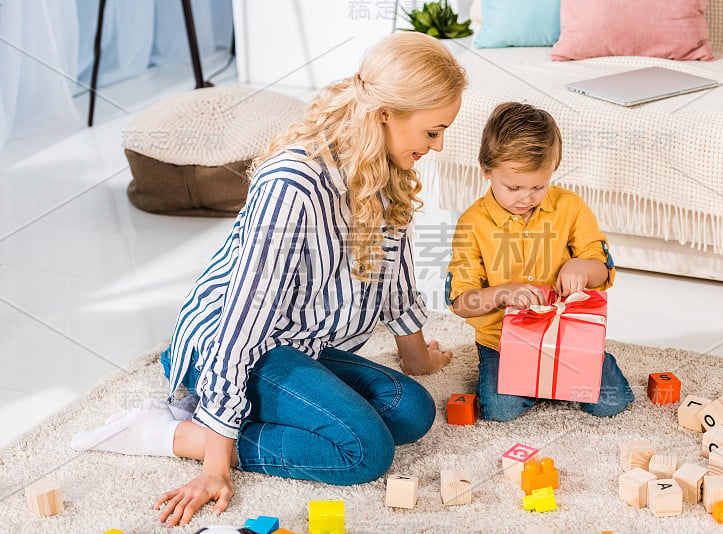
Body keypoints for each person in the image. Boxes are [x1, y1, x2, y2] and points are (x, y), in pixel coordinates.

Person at [71, 32, 466, 527]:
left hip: (300, 345)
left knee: (411, 411)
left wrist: (418, 356)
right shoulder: (292, 184)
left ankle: (248, 415)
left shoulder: (384, 167)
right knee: (364, 452)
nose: (439, 145)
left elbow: (395, 271)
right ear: (386, 113)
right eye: (433, 132)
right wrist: (214, 466)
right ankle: (172, 432)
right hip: (229, 344)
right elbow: (241, 325)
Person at [445, 102, 634, 423]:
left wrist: (580, 268)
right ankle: (541, 382)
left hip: (567, 333)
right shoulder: (472, 223)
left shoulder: (569, 206)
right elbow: (461, 302)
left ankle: (589, 364)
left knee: (609, 403)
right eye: (514, 187)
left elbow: (603, 268)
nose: (526, 198)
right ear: (486, 170)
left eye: (538, 187)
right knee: (501, 410)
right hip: (501, 342)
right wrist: (503, 293)